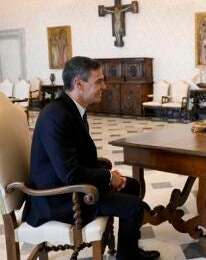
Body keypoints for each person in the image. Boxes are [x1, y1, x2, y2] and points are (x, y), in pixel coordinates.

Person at [22, 56, 160, 260]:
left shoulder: (72, 109)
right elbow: (70, 174)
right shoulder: (56, 116)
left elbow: (77, 159)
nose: (104, 86)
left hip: (71, 186)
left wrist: (109, 176)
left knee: (132, 186)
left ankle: (127, 252)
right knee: (133, 207)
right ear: (78, 83)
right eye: (99, 81)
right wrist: (106, 177)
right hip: (57, 198)